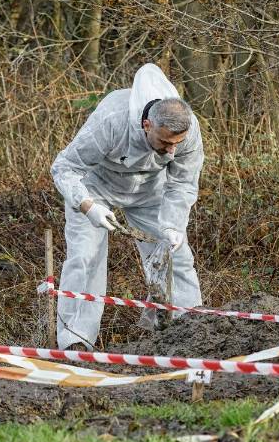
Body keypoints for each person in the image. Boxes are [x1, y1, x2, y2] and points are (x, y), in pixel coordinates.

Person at [50, 63, 204, 350]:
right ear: (147, 125)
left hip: (150, 191)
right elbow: (64, 168)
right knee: (85, 257)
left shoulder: (188, 129)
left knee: (178, 256)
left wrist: (173, 224)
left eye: (177, 144)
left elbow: (183, 182)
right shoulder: (112, 120)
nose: (172, 150)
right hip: (96, 188)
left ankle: (189, 332)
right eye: (165, 142)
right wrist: (87, 206)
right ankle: (75, 341)